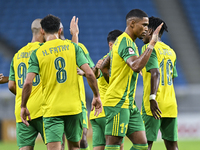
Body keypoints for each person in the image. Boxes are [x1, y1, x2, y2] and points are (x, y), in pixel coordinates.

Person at [20, 14, 102, 150]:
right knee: (75, 147)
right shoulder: (72, 47)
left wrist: (23, 105)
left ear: (42, 31)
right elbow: (89, 73)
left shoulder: (38, 53)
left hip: (52, 110)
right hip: (74, 108)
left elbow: (28, 82)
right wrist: (96, 96)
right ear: (59, 30)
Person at [100, 9, 163, 150]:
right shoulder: (125, 42)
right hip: (118, 102)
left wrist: (115, 81)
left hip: (129, 103)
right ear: (132, 23)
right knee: (114, 145)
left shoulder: (129, 43)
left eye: (148, 26)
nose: (146, 29)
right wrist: (151, 44)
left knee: (142, 145)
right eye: (144, 25)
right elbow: (135, 66)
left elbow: (104, 67)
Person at [141, 16, 178, 150]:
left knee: (145, 145)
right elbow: (172, 78)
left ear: (150, 31)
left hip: (154, 104)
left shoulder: (149, 48)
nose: (142, 33)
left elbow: (155, 73)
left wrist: (152, 97)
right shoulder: (171, 51)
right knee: (172, 145)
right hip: (170, 104)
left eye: (145, 28)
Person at [60, 21, 98, 150]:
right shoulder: (47, 50)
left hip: (77, 100)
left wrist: (84, 72)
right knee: (60, 142)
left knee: (82, 140)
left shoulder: (79, 47)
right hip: (56, 101)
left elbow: (93, 70)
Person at [8, 18, 45, 150]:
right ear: (42, 31)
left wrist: (25, 96)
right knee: (57, 146)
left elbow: (11, 85)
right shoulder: (44, 51)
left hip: (22, 110)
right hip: (43, 109)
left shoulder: (17, 55)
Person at [89, 30, 124, 150]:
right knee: (118, 146)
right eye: (121, 43)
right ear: (111, 45)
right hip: (110, 112)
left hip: (96, 115)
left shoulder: (101, 61)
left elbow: (94, 76)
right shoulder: (116, 61)